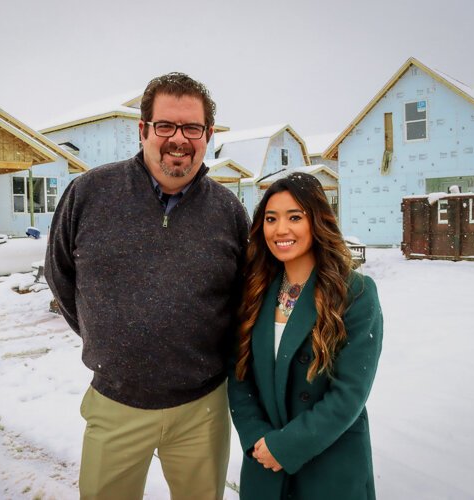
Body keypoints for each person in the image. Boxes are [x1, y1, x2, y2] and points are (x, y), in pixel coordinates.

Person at [45, 72, 249, 500]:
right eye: (165, 126)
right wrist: (107, 339)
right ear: (143, 130)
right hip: (116, 404)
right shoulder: (89, 194)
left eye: (192, 127)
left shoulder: (228, 212)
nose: (179, 139)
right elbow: (60, 275)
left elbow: (244, 298)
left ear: (207, 135)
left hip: (202, 409)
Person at [228, 172, 383, 499]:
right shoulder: (255, 292)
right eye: (271, 219)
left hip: (329, 463)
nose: (280, 229)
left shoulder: (355, 293)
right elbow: (240, 377)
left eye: (294, 217)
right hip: (264, 462)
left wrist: (286, 447)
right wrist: (258, 440)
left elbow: (349, 394)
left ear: (317, 221)